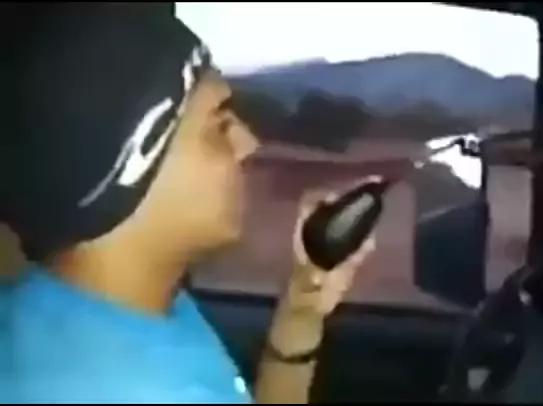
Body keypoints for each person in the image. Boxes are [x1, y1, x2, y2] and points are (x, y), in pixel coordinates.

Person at [7, 7, 375, 404]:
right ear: (130, 172)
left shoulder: (74, 307)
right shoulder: (149, 392)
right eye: (219, 126)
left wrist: (300, 313)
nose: (248, 144)